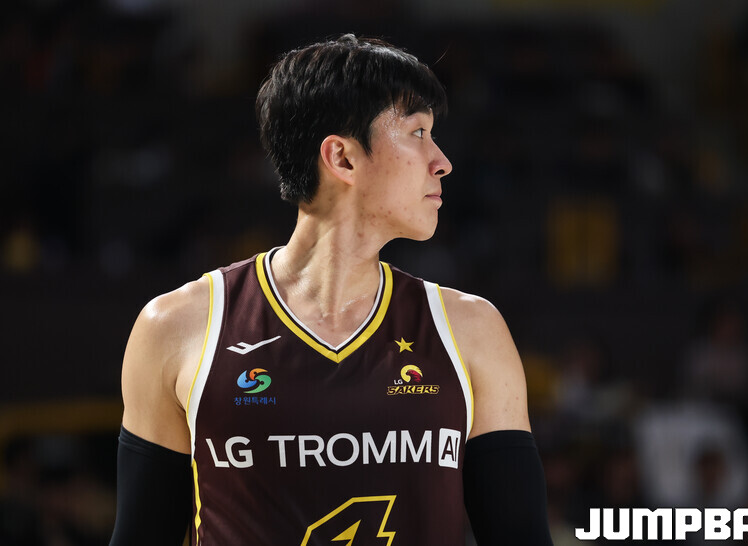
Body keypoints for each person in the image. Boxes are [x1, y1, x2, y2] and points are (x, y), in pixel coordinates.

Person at [110, 34, 552, 545]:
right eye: (418, 132)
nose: (441, 161)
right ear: (341, 157)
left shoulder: (472, 329)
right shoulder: (177, 327)